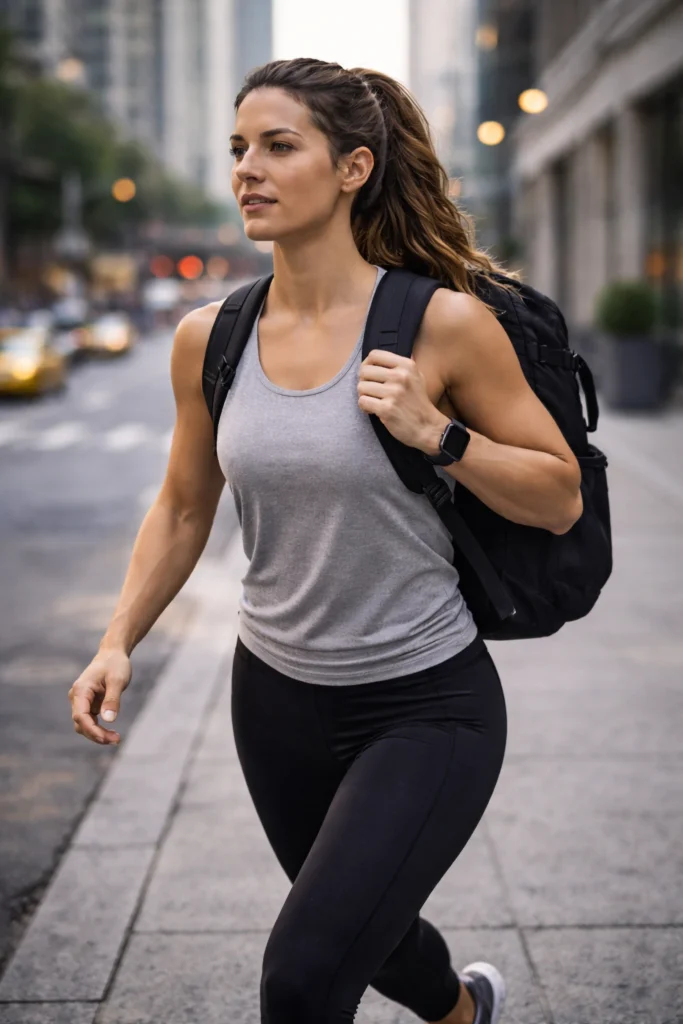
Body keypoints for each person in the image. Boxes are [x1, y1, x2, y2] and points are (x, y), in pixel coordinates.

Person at [68, 58, 583, 1024]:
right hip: (276, 702)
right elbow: (184, 506)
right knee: (370, 930)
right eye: (237, 150)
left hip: (426, 702)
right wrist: (117, 640)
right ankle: (466, 1011)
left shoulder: (441, 325)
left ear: (352, 168)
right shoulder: (209, 337)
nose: (246, 171)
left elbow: (557, 497)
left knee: (302, 977)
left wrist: (442, 437)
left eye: (277, 146)